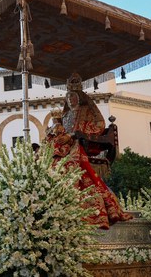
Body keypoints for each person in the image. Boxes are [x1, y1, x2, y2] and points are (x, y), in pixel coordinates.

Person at [45, 73, 132, 230]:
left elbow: (98, 126)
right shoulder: (65, 115)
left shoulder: (87, 111)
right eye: (68, 96)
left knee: (69, 161)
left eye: (73, 96)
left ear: (79, 97)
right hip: (67, 145)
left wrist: (74, 135)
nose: (70, 100)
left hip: (81, 144)